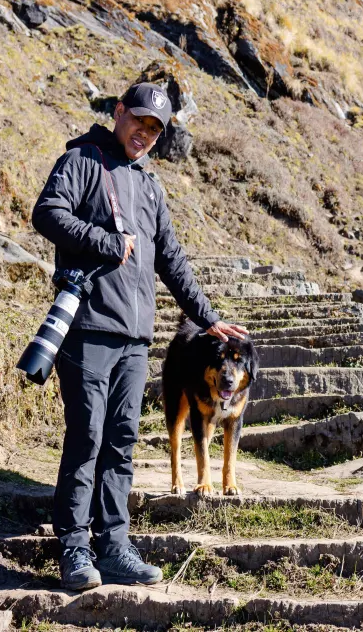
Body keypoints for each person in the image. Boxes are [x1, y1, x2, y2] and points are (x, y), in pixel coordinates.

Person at [31, 81, 247, 592]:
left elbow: (170, 259)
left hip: (135, 338)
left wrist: (208, 316)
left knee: (122, 440)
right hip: (87, 328)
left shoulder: (151, 187)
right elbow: (47, 212)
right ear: (118, 112)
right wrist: (105, 240)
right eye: (139, 122)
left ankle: (115, 545)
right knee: (87, 436)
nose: (145, 135)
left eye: (155, 129)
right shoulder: (82, 161)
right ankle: (75, 548)